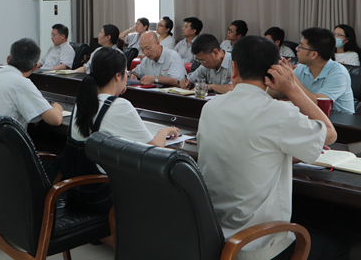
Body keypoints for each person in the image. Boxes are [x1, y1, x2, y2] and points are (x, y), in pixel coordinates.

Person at [197, 35, 346, 260]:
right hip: (256, 245)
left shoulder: (211, 108)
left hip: (214, 238)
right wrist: (292, 89)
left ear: (234, 68)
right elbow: (330, 134)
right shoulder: (279, 113)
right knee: (337, 246)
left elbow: (251, 152)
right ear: (273, 71)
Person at [61, 47, 179, 211]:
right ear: (118, 76)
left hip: (75, 192)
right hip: (102, 196)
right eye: (126, 73)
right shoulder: (121, 106)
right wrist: (165, 131)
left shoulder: (83, 101)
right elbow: (156, 148)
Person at [0, 38, 64, 171]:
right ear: (34, 67)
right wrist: (57, 108)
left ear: (8, 59)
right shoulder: (22, 83)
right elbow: (55, 120)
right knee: (57, 162)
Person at [289, 27, 355, 114]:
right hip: (311, 117)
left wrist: (291, 77)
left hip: (338, 120)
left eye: (300, 46)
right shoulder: (302, 67)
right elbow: (277, 94)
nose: (297, 49)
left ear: (313, 54)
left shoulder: (339, 73)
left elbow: (320, 104)